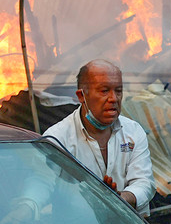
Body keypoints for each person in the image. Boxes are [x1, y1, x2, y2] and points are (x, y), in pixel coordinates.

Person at [42, 59, 154, 214]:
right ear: (82, 96)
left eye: (118, 91)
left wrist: (121, 198)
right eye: (104, 91)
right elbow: (41, 182)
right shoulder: (57, 139)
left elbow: (144, 182)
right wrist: (27, 206)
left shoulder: (133, 131)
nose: (114, 98)